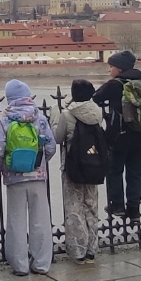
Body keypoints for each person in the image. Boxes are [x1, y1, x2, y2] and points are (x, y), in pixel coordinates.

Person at [0, 80, 56, 276]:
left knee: (16, 221)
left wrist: (2, 168)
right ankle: (41, 263)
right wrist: (40, 164)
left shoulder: (5, 120)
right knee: (40, 220)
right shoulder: (40, 118)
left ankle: (19, 265)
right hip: (37, 176)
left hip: (14, 178)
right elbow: (51, 146)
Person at [93, 50, 141, 220]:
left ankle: (117, 205)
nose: (109, 70)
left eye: (111, 66)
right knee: (136, 174)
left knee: (114, 171)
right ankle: (134, 208)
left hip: (118, 136)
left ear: (119, 68)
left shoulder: (115, 84)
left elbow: (96, 97)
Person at [54, 78, 106, 263]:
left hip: (73, 166)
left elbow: (58, 138)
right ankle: (92, 247)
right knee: (91, 205)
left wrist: (55, 120)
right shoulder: (97, 112)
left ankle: (78, 250)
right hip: (94, 164)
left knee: (74, 208)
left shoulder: (67, 115)